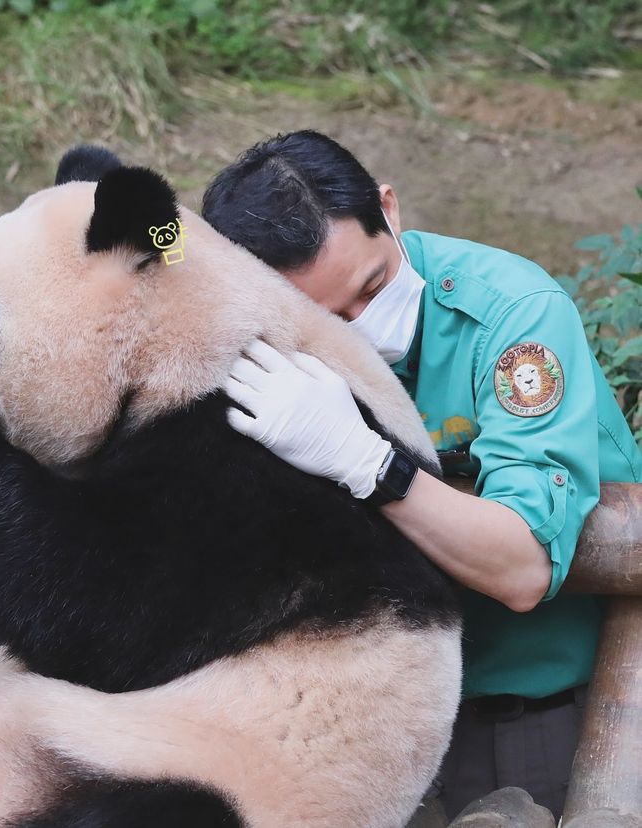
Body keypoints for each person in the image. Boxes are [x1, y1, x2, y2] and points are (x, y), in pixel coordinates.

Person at [201, 129, 641, 821]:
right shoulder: (253, 349)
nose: (362, 328)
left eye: (373, 286)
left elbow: (522, 566)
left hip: (526, 711)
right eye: (322, 317)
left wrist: (369, 464)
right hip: (356, 717)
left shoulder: (515, 317)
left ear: (390, 209)